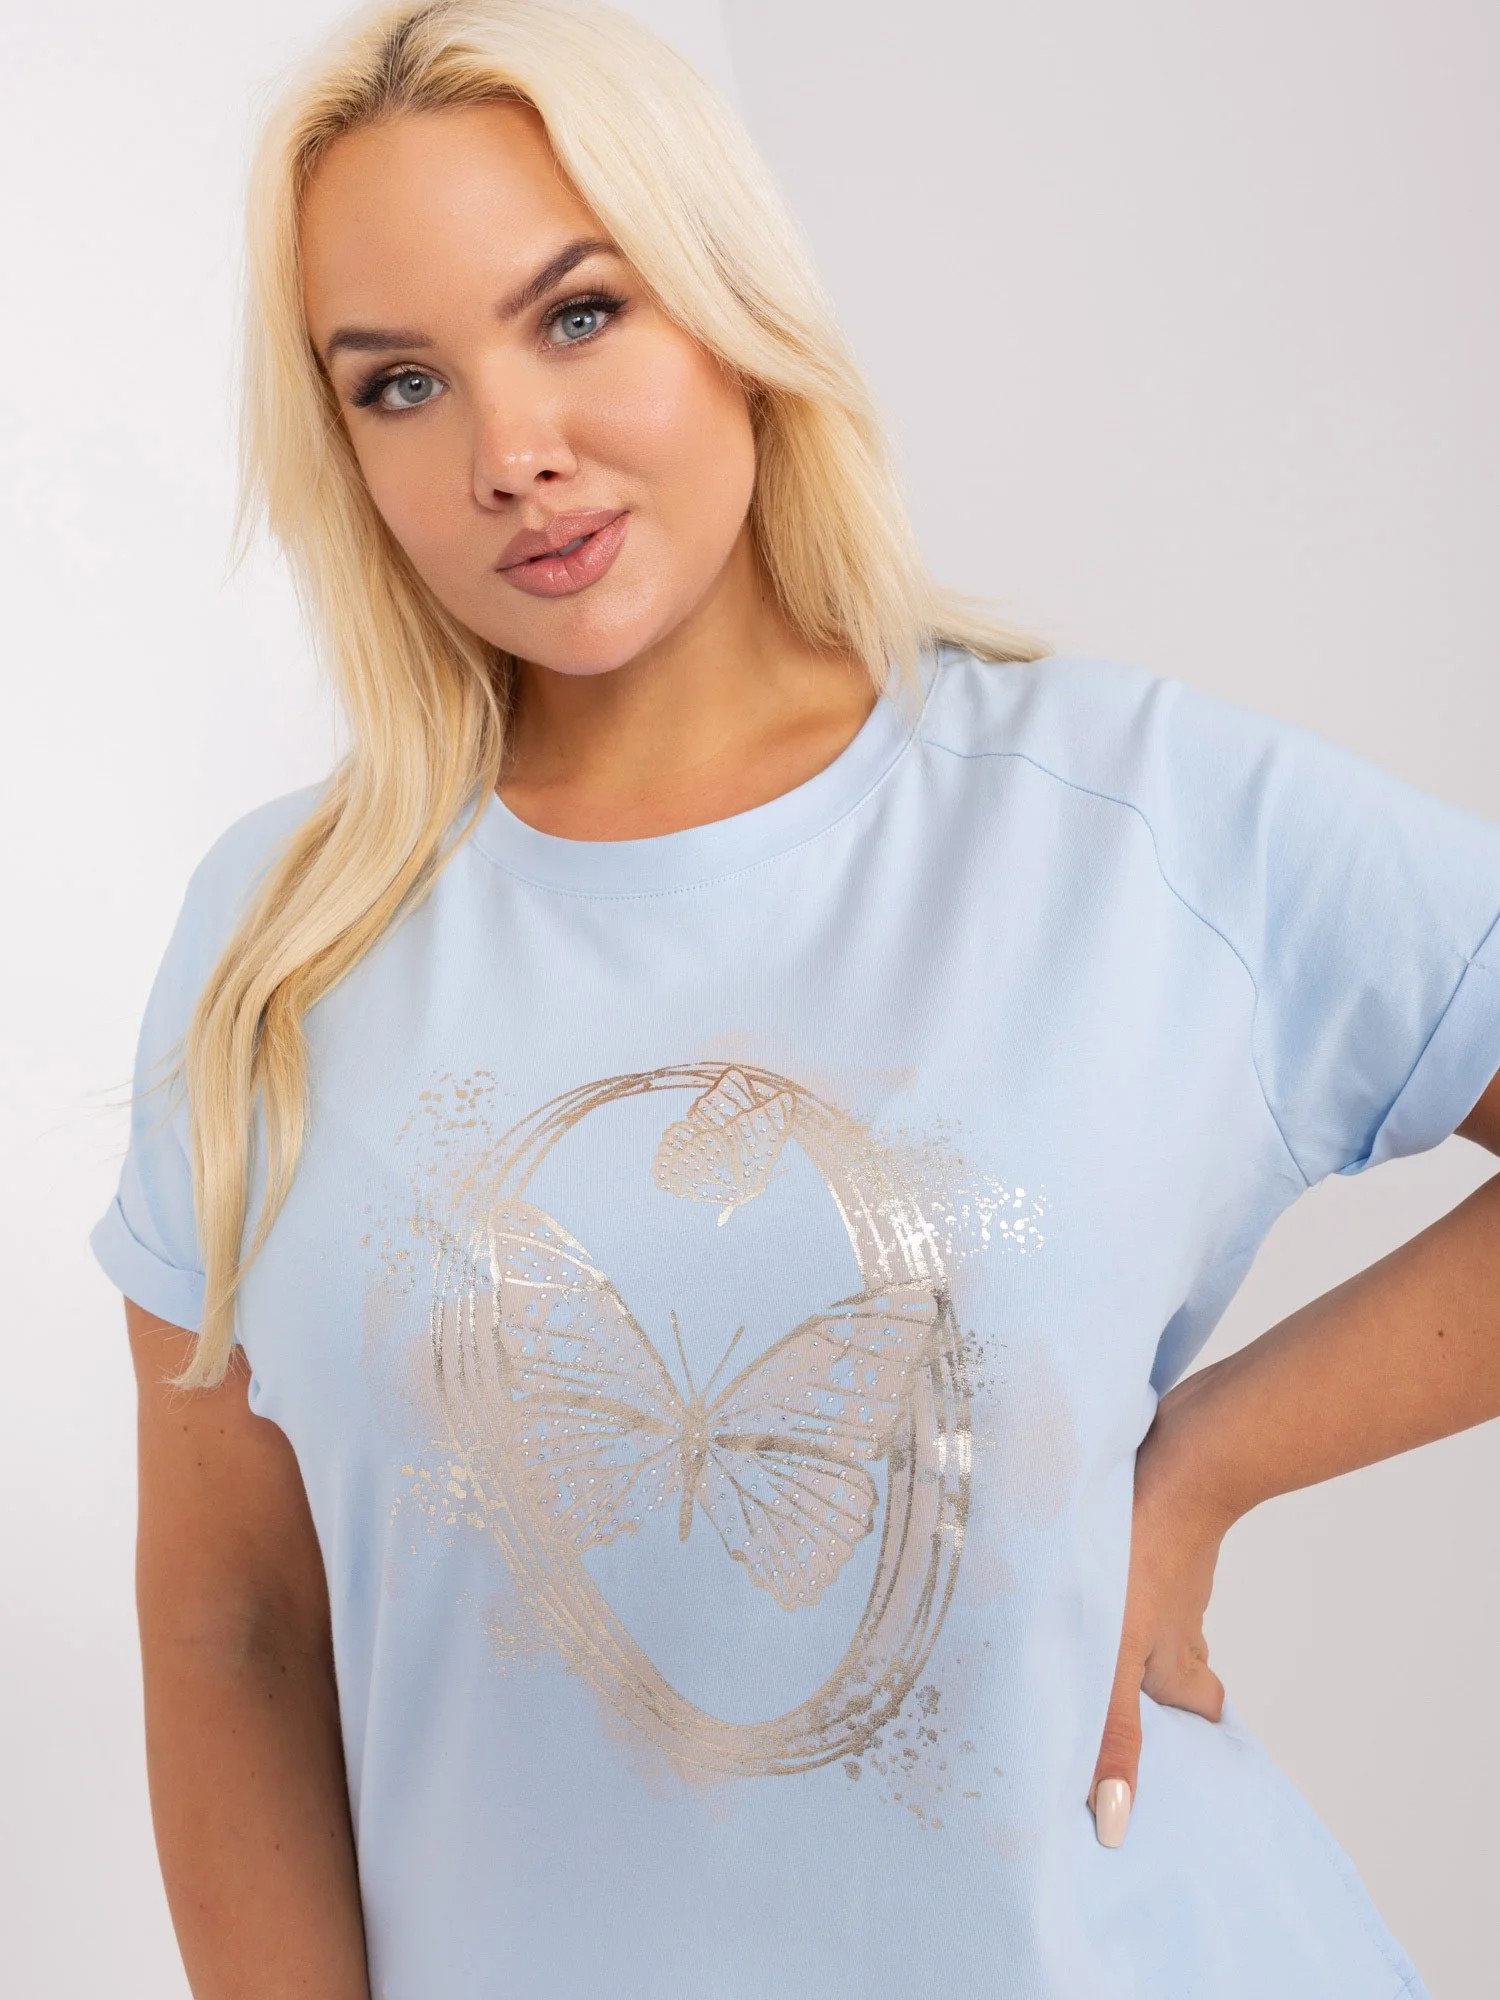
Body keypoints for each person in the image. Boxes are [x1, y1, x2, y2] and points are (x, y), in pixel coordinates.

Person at [91, 1, 1500, 1994]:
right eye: (400, 383)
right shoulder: (282, 941)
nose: (510, 453)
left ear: (734, 306)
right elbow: (235, 1622)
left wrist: (1207, 1464)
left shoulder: (1136, 820)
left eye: (580, 314)